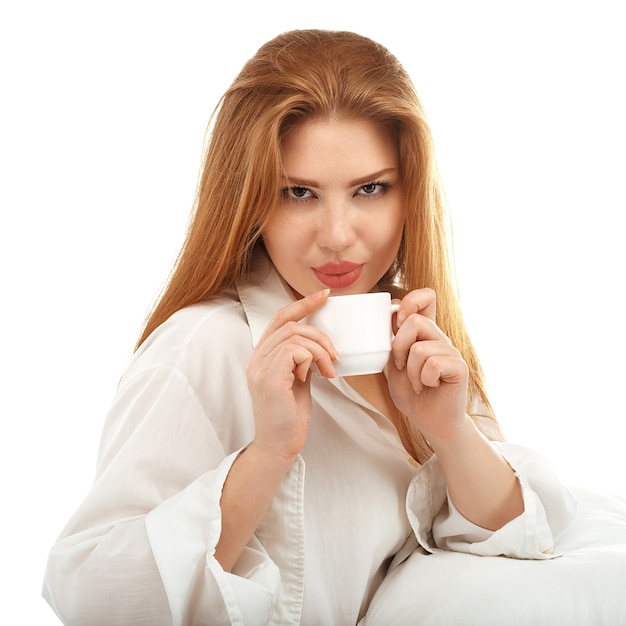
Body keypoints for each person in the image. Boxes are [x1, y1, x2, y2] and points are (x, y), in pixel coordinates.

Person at [43, 29, 586, 625]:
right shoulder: (206, 346)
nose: (337, 234)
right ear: (251, 199)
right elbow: (94, 598)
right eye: (299, 193)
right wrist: (269, 453)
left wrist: (452, 433)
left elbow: (525, 543)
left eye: (370, 189)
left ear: (409, 195)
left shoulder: (415, 337)